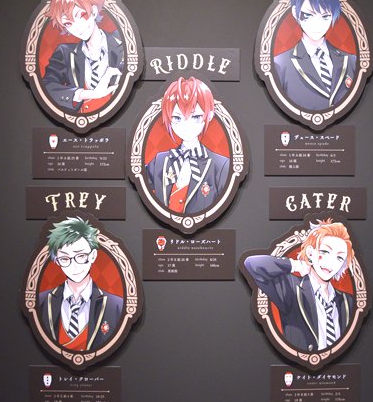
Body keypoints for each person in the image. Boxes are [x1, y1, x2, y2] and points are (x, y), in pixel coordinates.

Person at [244, 219, 355, 352]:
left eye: (339, 258)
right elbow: (253, 264)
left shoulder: (347, 301)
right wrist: (295, 265)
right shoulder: (290, 287)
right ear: (310, 253)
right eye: (325, 252)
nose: (331, 262)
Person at [145, 77, 230, 214]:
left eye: (196, 117)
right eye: (177, 118)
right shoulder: (159, 161)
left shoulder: (221, 166)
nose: (186, 125)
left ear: (209, 116)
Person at [273, 0, 357, 111]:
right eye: (309, 15)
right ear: (295, 12)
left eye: (325, 16)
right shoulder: (280, 64)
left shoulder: (351, 61)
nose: (317, 23)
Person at [38, 217, 123, 352]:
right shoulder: (42, 301)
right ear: (57, 261)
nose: (74, 265)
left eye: (81, 256)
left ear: (93, 255)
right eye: (65, 258)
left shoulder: (116, 306)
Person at [40, 0, 124, 113]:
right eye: (68, 23)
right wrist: (89, 94)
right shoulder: (65, 53)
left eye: (81, 15)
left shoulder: (121, 40)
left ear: (94, 11)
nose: (77, 27)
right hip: (83, 122)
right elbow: (46, 87)